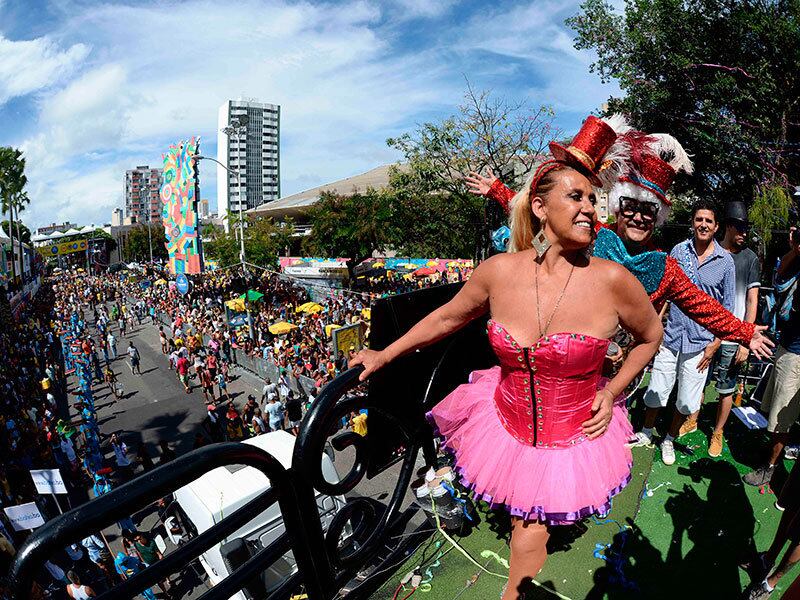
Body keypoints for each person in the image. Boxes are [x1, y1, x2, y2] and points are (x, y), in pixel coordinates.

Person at [352, 116, 663, 597]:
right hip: (504, 425)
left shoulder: (613, 280)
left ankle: (516, 591)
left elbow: (650, 337)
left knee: (528, 530)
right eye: (575, 197)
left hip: (570, 440)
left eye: (592, 199)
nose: (589, 210)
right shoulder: (498, 271)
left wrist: (613, 389)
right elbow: (445, 320)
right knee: (524, 517)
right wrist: (383, 355)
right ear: (539, 207)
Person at [468, 132, 773, 360]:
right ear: (617, 207)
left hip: (615, 368)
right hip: (561, 352)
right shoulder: (592, 236)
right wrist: (497, 190)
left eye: (648, 211)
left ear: (658, 217)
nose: (639, 217)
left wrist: (746, 332)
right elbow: (546, 214)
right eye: (630, 207)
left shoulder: (665, 267)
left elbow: (703, 306)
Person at [636, 200, 735, 465]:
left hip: (701, 344)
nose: (703, 224)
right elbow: (666, 293)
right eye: (699, 219)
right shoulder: (679, 252)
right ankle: (646, 432)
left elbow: (727, 308)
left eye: (708, 221)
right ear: (693, 222)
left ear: (716, 227)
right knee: (657, 389)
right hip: (670, 336)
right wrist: (656, 327)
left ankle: (669, 438)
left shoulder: (725, 262)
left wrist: (715, 343)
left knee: (687, 401)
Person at [699, 201, 760, 457]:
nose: (744, 233)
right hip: (703, 332)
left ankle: (718, 431)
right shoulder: (710, 252)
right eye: (740, 227)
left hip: (733, 337)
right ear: (727, 227)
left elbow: (752, 300)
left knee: (726, 388)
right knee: (697, 382)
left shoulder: (750, 258)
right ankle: (691, 418)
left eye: (746, 228)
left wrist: (746, 340)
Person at [744, 232, 800, 486]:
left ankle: (771, 469)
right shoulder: (796, 260)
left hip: (797, 355)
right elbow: (778, 279)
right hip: (786, 346)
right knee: (773, 409)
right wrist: (795, 249)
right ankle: (770, 456)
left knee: (782, 418)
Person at [133, 531, 171, 597]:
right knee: (158, 581)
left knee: (165, 573)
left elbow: (158, 554)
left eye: (139, 539)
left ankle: (168, 580)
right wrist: (143, 562)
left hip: (157, 562)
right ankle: (165, 593)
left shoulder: (151, 543)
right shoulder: (136, 544)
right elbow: (139, 553)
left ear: (142, 536)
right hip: (150, 566)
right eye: (137, 540)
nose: (138, 541)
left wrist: (162, 559)